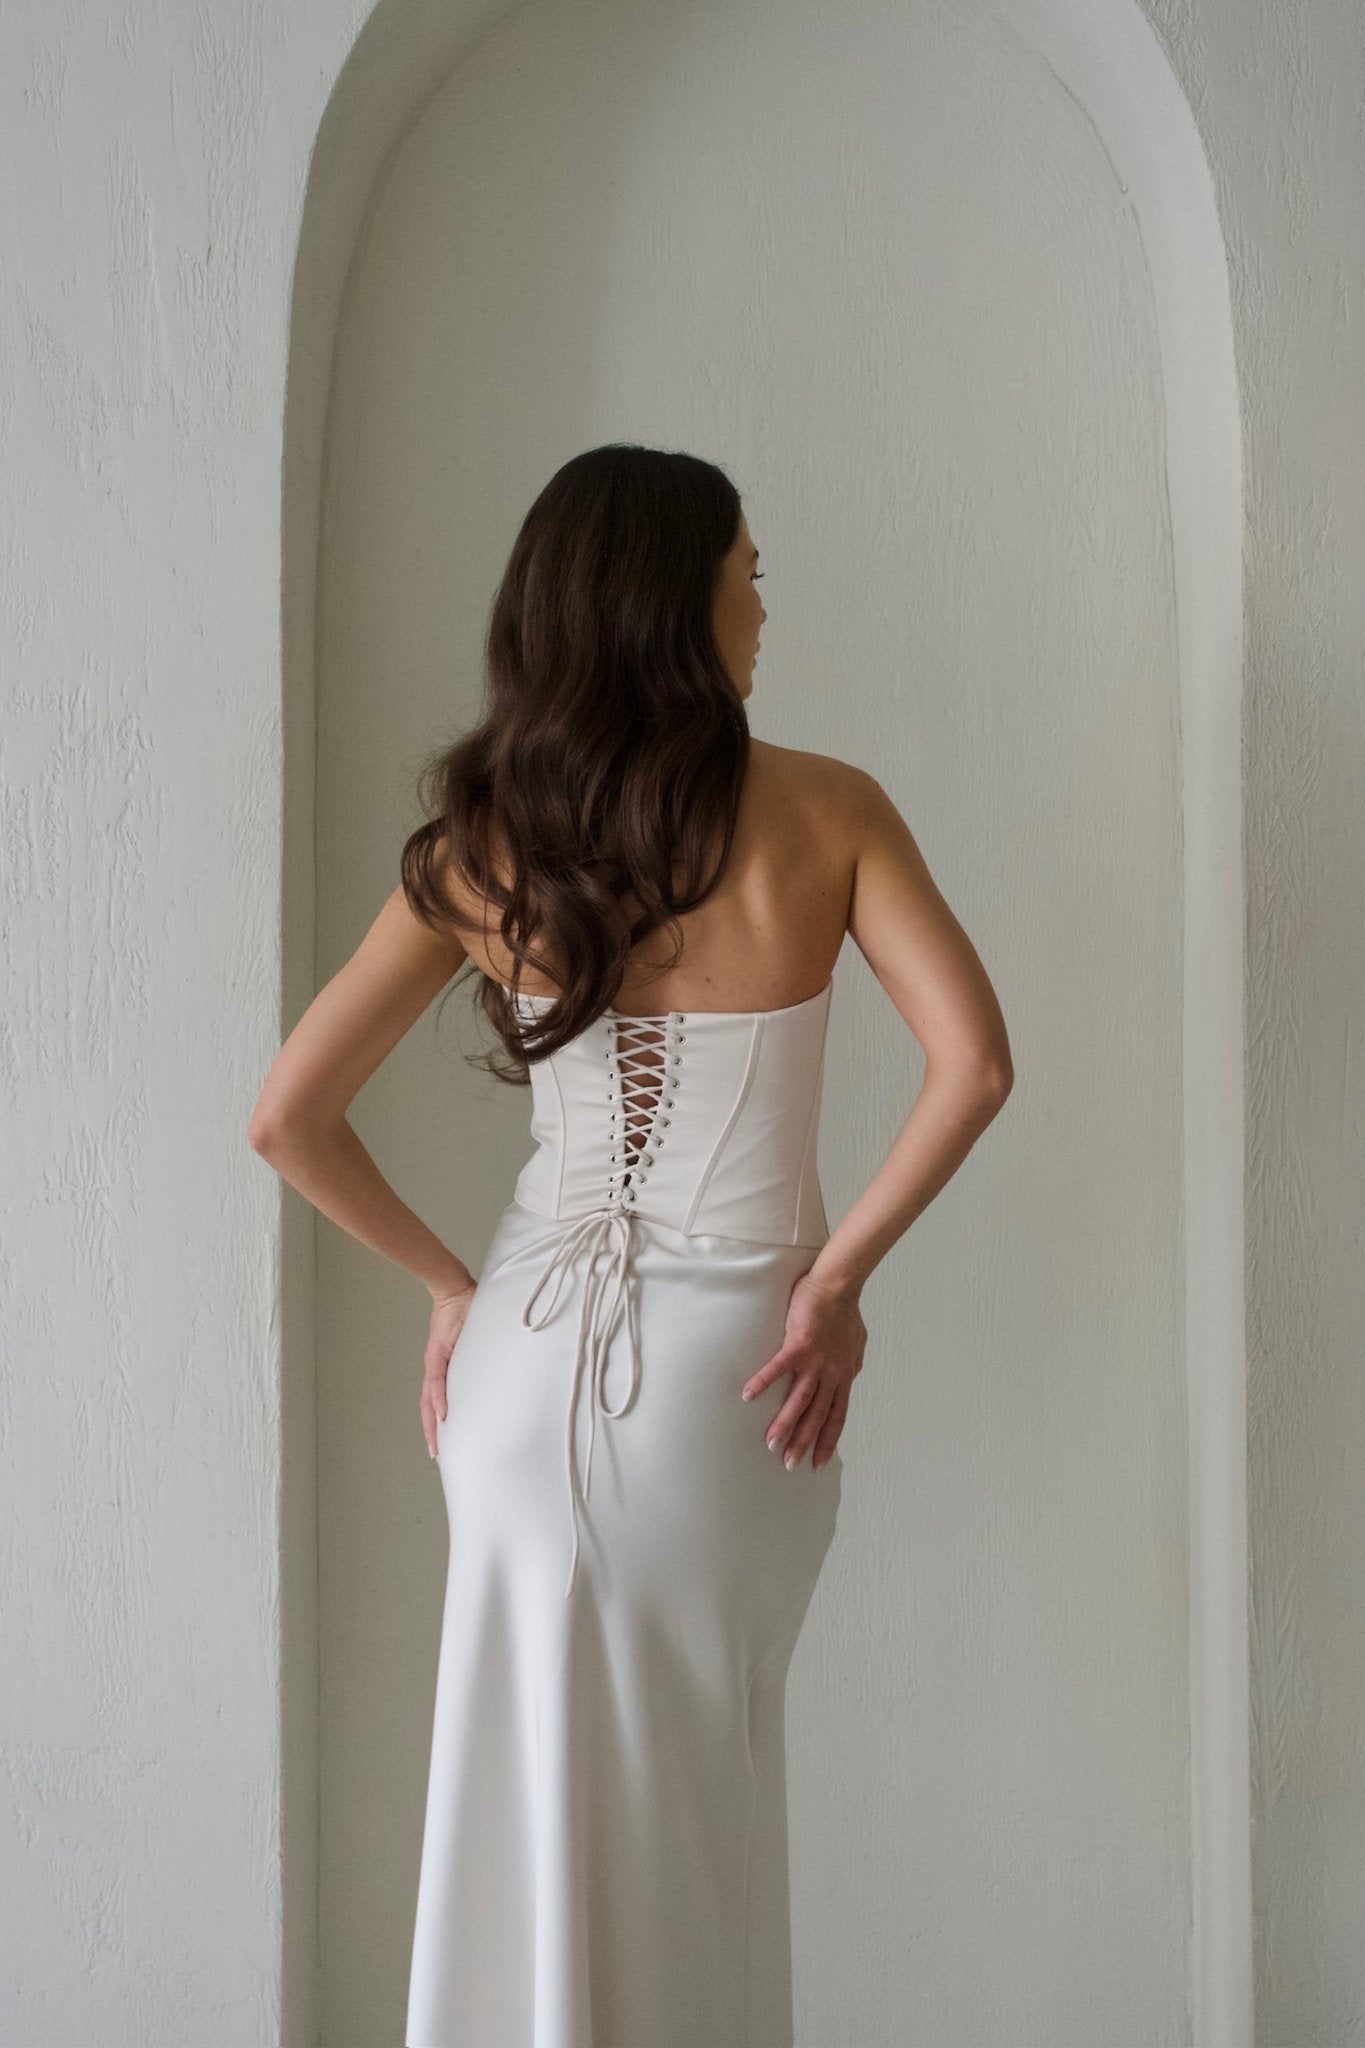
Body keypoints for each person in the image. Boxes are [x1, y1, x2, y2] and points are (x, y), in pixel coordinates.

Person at [249, 444, 1013, 2047]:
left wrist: (452, 1289)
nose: (763, 607)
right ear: (675, 600)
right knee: (694, 1804)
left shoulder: (481, 842)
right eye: (747, 573)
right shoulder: (827, 809)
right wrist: (835, 1284)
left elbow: (286, 1119)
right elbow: (975, 1066)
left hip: (518, 1372)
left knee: (517, 1779)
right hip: (735, 1380)